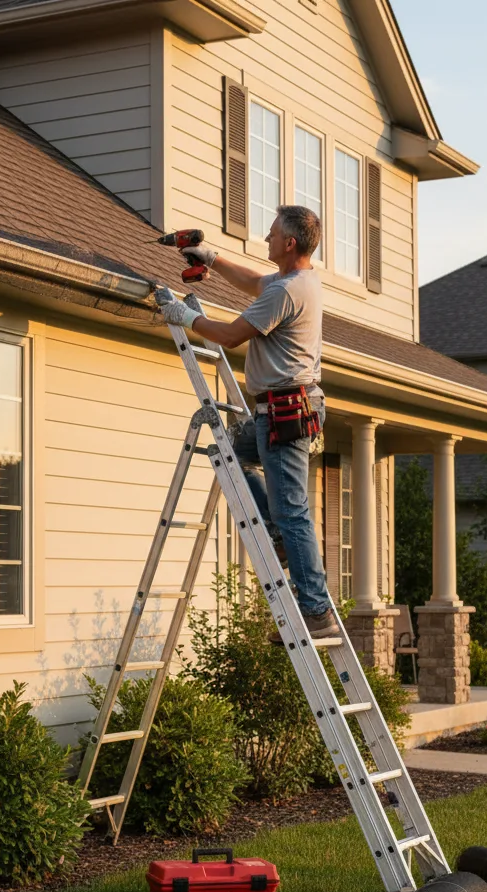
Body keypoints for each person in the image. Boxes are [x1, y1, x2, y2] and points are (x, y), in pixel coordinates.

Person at [155, 205, 339, 640]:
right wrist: (210, 257)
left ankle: (316, 611)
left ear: (290, 243)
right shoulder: (298, 281)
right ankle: (276, 535)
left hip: (284, 412)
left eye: (273, 234)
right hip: (284, 408)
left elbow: (231, 335)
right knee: (233, 453)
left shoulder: (287, 292)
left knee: (292, 511)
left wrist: (185, 317)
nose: (266, 237)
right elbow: (254, 280)